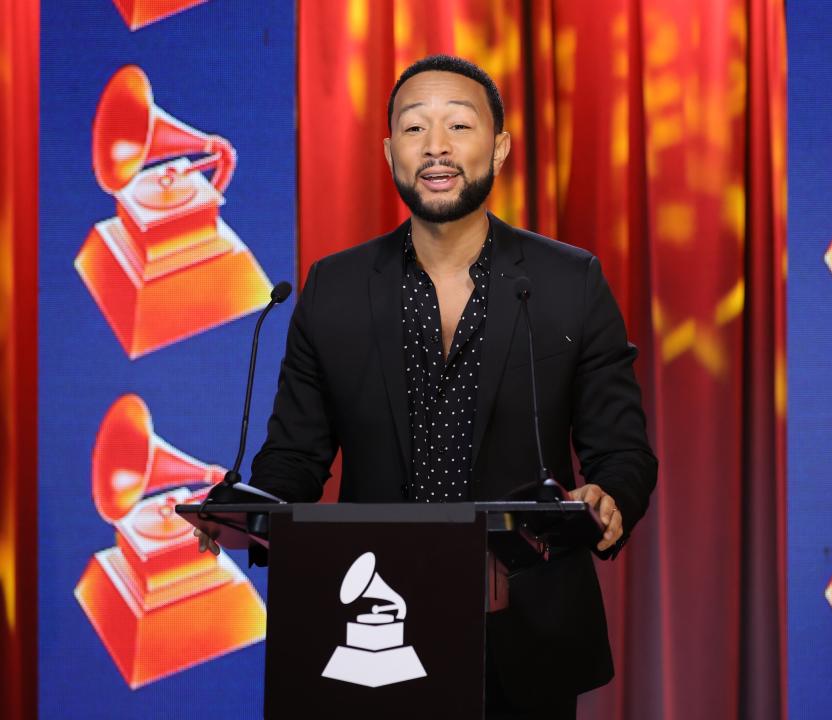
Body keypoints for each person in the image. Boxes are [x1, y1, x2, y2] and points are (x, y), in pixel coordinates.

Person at [197, 54, 657, 719]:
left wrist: (610, 496)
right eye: (415, 129)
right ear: (390, 152)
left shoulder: (567, 282)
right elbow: (295, 458)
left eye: (459, 125)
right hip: (369, 624)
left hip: (525, 634)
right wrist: (243, 511)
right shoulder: (335, 288)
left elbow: (622, 451)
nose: (436, 147)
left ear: (498, 146)